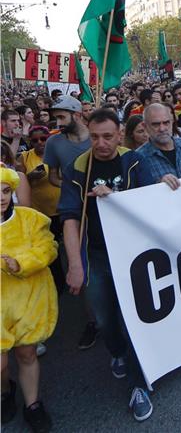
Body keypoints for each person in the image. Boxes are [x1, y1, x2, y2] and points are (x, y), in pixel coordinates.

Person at [59, 109, 155, 421]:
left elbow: (151, 202)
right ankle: (116, 352)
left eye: (108, 136)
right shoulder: (78, 168)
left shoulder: (134, 160)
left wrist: (113, 196)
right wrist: (75, 264)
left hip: (133, 254)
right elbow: (70, 219)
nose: (101, 143)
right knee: (104, 319)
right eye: (95, 136)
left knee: (133, 321)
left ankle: (139, 385)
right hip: (97, 255)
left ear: (120, 134)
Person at [1, 166, 58, 432]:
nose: (2, 197)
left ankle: (32, 404)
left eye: (5, 191)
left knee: (26, 353)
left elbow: (48, 248)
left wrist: (21, 263)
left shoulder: (30, 219)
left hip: (27, 299)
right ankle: (5, 391)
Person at [18, 126, 64, 294]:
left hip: (62, 207)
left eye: (43, 139)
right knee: (50, 248)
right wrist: (31, 177)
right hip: (41, 212)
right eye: (35, 140)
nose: (40, 143)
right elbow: (19, 181)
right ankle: (58, 284)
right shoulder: (24, 157)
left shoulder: (58, 153)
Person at [138, 104, 181, 188]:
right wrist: (159, 185)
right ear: (145, 126)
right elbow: (141, 195)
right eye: (156, 124)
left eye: (166, 123)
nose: (162, 128)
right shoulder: (139, 158)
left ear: (172, 121)